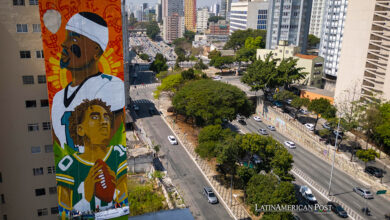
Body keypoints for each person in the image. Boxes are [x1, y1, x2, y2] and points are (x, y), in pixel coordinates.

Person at [51, 12, 125, 150]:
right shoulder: (58, 97)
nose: (64, 44)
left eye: (73, 39)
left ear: (96, 50)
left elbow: (110, 141)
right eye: (66, 38)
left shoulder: (109, 85)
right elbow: (57, 144)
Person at [56, 99, 128, 215]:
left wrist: (114, 191)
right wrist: (85, 197)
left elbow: (124, 205)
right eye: (95, 117)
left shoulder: (118, 154)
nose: (104, 122)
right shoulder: (67, 166)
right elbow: (63, 213)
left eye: (106, 117)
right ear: (80, 129)